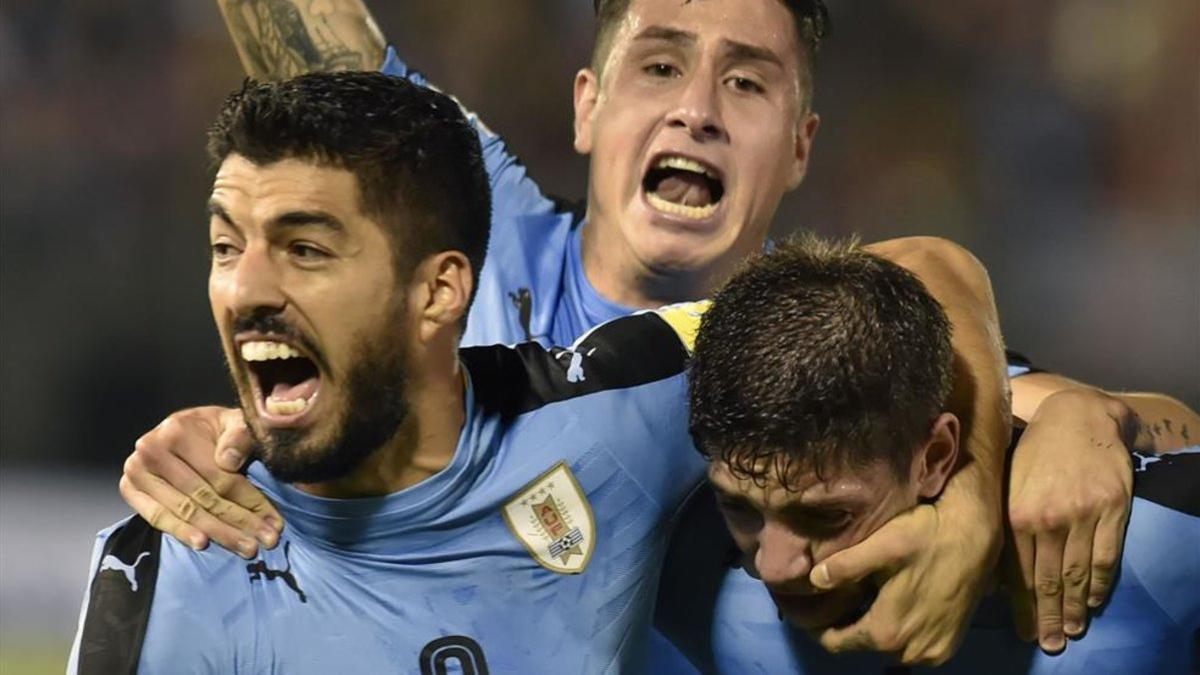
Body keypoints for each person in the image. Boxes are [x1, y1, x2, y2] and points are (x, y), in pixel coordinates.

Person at [115, 0, 1184, 662]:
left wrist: (1077, 426)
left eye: (749, 82)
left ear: (801, 147)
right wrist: (247, 429)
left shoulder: (814, 359)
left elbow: (1140, 413)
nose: (698, 111)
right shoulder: (463, 231)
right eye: (660, 65)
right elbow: (309, 48)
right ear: (586, 107)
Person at [69, 71, 713, 673]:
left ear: (438, 291)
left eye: (306, 250)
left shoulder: (620, 410)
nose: (244, 290)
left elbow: (805, 325)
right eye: (226, 248)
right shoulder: (171, 577)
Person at [682, 235, 1200, 674]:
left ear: (934, 458)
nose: (775, 567)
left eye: (824, 515)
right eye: (740, 508)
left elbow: (931, 262)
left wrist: (1092, 414)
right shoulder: (668, 522)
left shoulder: (1132, 536)